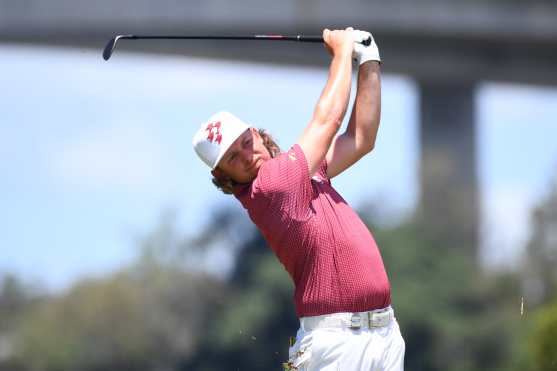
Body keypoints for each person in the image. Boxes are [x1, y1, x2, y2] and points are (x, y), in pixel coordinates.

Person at [192, 27, 405, 371]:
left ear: (258, 134)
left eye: (246, 142)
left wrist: (369, 60)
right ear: (225, 178)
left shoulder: (301, 174)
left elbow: (361, 138)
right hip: (336, 345)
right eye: (233, 158)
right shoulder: (271, 188)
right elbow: (328, 119)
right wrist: (341, 53)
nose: (247, 155)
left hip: (383, 334)